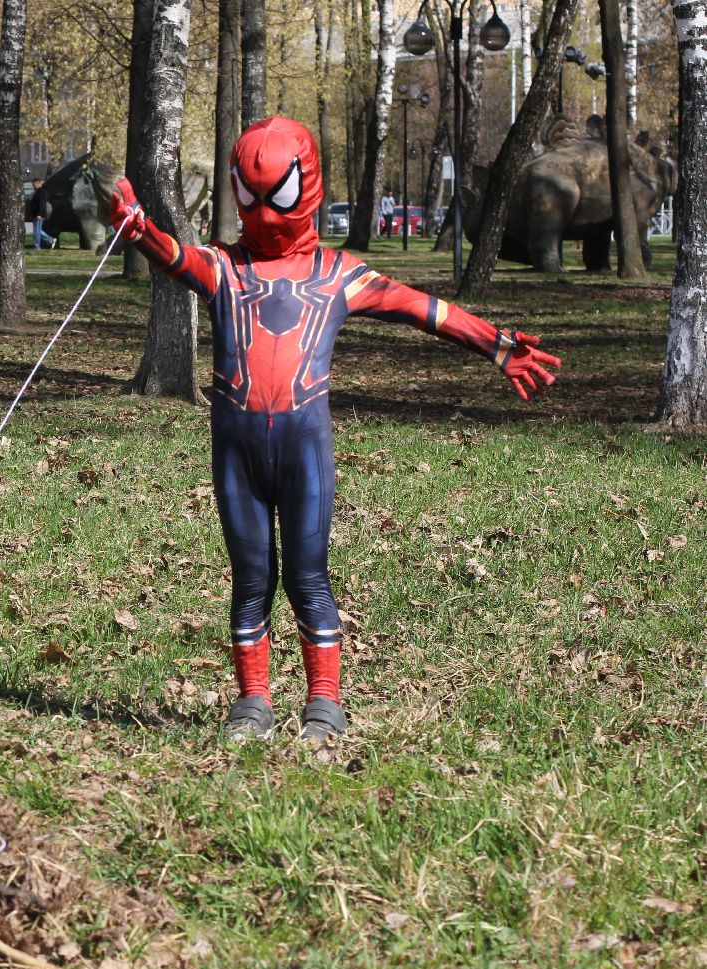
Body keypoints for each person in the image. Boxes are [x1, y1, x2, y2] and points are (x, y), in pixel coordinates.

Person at [109, 117, 562, 744]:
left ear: (308, 187)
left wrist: (496, 344)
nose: (266, 213)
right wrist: (138, 230)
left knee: (308, 574)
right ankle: (253, 702)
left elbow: (422, 309)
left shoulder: (338, 274)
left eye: (280, 196)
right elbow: (174, 256)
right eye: (252, 196)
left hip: (304, 450)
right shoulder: (225, 269)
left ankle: (324, 700)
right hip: (237, 452)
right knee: (250, 575)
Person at [29, 178, 54, 250]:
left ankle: (37, 246)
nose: (33, 186)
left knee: (37, 231)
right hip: (36, 214)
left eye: (34, 185)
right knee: (37, 231)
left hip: (39, 215)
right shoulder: (37, 192)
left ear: (38, 183)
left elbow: (42, 204)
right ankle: (50, 240)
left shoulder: (42, 192)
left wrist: (39, 214)